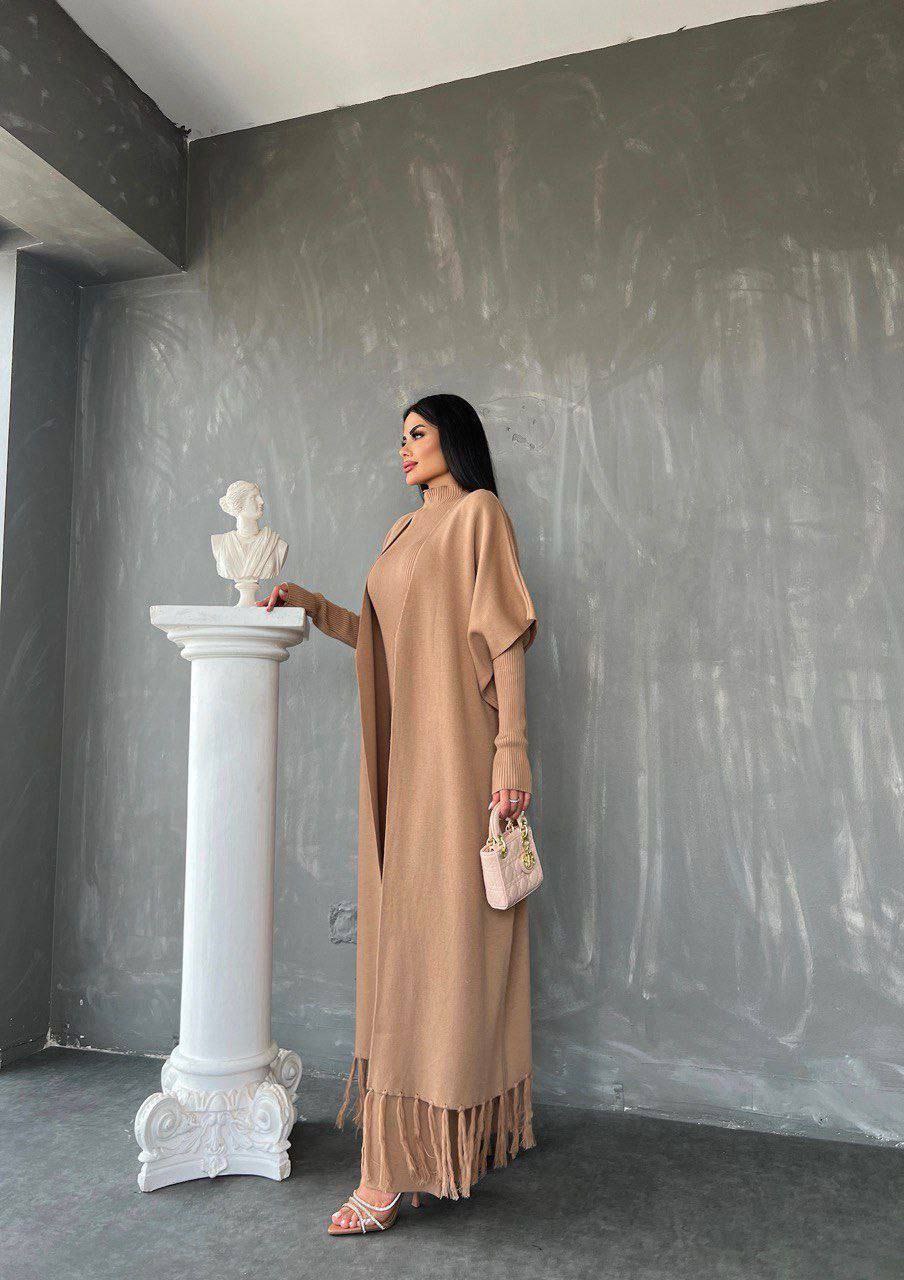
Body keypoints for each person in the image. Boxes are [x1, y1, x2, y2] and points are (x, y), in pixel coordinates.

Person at [259, 393, 539, 1235]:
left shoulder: (479, 516)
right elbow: (386, 642)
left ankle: (389, 1170)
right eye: (401, 438)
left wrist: (511, 748)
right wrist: (313, 604)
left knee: (444, 950)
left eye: (417, 433)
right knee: (405, 947)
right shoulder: (400, 531)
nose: (404, 448)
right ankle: (422, 1149)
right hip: (399, 764)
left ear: (455, 437)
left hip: (457, 756)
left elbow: (505, 636)